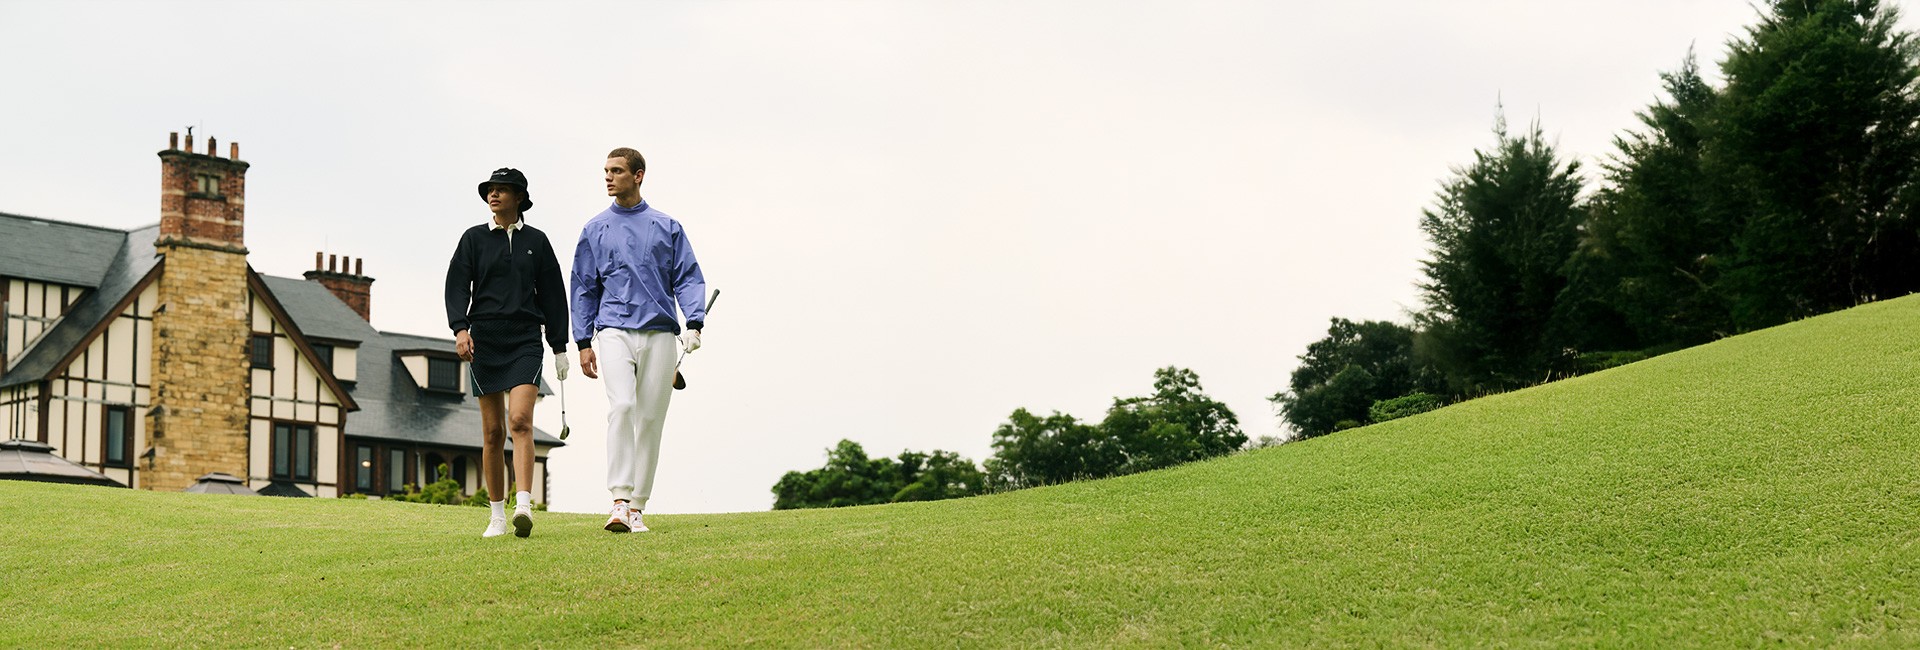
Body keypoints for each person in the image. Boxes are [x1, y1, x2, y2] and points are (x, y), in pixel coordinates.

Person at [572, 147, 708, 533]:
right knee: (623, 407)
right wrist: (583, 341)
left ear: (639, 175)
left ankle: (636, 507)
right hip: (613, 330)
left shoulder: (667, 226)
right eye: (605, 171)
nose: (608, 177)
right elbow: (583, 287)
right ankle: (618, 499)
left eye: (616, 171)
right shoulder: (594, 228)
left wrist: (694, 322)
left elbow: (687, 277)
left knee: (649, 419)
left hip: (661, 332)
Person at [444, 167, 570, 538]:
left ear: (519, 198)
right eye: (490, 191)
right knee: (493, 431)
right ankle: (496, 516)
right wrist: (460, 328)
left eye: (502, 191)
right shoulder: (473, 239)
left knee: (519, 421)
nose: (494, 196)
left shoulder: (538, 241)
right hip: (485, 340)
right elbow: (455, 287)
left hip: (525, 340)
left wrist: (560, 347)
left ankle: (524, 505)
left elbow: (553, 295)